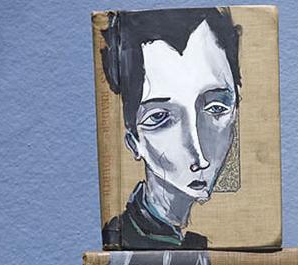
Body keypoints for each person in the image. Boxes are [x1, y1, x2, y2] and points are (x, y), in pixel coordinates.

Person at [100, 8, 241, 249]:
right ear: (134, 142)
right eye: (159, 118)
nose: (199, 156)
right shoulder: (123, 244)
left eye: (216, 108)